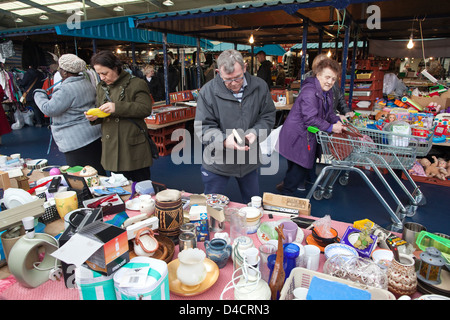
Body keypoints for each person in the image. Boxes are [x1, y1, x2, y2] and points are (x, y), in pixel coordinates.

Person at [194, 49, 276, 204]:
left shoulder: (260, 86)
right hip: (217, 162)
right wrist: (224, 141)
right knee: (211, 208)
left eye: (238, 78)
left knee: (253, 206)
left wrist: (255, 134)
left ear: (245, 67)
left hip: (248, 161)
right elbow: (203, 128)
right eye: (227, 79)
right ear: (218, 72)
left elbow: (267, 116)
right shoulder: (207, 92)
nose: (233, 84)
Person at [277, 58, 344, 196]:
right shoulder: (309, 92)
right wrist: (331, 128)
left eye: (333, 79)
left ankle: (286, 189)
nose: (330, 82)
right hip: (297, 136)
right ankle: (284, 198)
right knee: (298, 169)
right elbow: (310, 119)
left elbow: (329, 112)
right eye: (327, 77)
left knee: (297, 168)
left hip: (305, 136)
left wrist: (337, 121)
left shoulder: (327, 92)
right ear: (318, 75)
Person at [85, 50, 153, 182]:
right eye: (99, 74)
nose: (102, 77)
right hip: (111, 146)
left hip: (132, 144)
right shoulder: (101, 87)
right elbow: (102, 109)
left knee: (141, 185)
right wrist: (95, 116)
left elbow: (145, 108)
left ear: (115, 68)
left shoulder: (136, 84)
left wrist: (117, 107)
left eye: (105, 73)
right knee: (118, 186)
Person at [33, 54, 105, 175]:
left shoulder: (66, 89)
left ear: (65, 72)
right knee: (96, 170)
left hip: (76, 140)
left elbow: (49, 109)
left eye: (60, 69)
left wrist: (38, 94)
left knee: (81, 174)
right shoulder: (86, 83)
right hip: (93, 134)